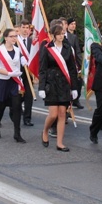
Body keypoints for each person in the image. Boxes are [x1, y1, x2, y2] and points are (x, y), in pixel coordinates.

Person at [38, 24, 78, 152]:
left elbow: (72, 69)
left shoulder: (68, 48)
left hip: (64, 83)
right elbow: (42, 69)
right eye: (59, 33)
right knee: (53, 114)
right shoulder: (47, 48)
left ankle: (60, 143)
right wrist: (42, 87)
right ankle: (45, 130)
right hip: (52, 83)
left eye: (63, 33)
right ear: (54, 35)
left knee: (62, 114)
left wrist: (74, 87)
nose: (62, 36)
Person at [0, 28, 26, 143]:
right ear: (5, 38)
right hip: (2, 81)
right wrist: (9, 73)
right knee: (0, 107)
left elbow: (17, 66)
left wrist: (22, 63)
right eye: (11, 36)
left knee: (16, 107)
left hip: (14, 82)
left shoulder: (17, 50)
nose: (14, 38)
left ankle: (17, 133)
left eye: (15, 36)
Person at [17, 20, 35, 124]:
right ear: (19, 28)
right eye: (23, 27)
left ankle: (27, 118)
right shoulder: (15, 41)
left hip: (29, 71)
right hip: (17, 72)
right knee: (18, 95)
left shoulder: (31, 42)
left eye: (27, 28)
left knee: (29, 95)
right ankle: (16, 111)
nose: (25, 30)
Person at [66, 17, 84, 109]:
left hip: (76, 63)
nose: (73, 26)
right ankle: (70, 101)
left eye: (74, 24)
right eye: (71, 24)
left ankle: (76, 100)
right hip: (69, 63)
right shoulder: (66, 36)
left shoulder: (75, 36)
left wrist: (81, 65)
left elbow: (78, 51)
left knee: (78, 82)